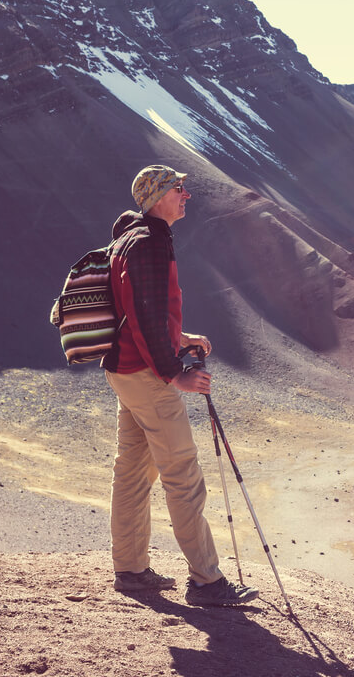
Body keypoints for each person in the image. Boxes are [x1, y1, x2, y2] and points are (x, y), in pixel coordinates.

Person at [102, 164, 258, 607]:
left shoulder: (131, 239)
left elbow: (140, 310)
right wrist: (175, 373)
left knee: (132, 470)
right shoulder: (150, 242)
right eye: (178, 189)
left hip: (123, 369)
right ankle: (207, 582)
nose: (186, 194)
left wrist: (180, 336)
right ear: (156, 196)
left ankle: (130, 570)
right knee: (183, 476)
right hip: (147, 376)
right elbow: (146, 314)